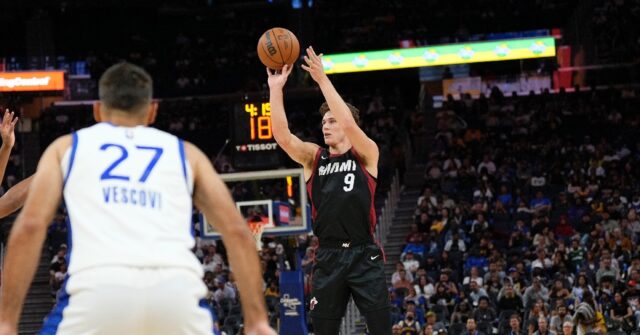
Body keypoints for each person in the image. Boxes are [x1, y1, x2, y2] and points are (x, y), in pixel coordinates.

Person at [0, 63, 275, 335]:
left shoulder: (67, 148)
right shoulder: (187, 154)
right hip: (175, 294)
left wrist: (7, 322)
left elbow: (29, 227)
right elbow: (238, 232)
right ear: (153, 110)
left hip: (96, 292)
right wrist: (257, 320)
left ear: (97, 110)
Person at [267, 46, 390, 334]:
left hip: (364, 255)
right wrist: (276, 89)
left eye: (331, 120)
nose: (326, 125)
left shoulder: (366, 153)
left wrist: (322, 79)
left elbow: (347, 120)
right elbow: (283, 137)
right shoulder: (315, 157)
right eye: (323, 122)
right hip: (328, 257)